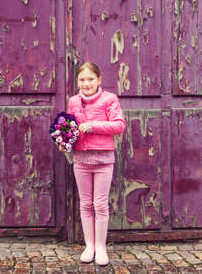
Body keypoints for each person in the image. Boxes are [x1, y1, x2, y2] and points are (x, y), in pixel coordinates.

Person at [64, 61, 126, 266]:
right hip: (81, 160)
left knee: (99, 204)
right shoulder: (73, 101)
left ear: (99, 79)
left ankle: (101, 247)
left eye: (90, 79)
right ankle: (89, 246)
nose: (86, 83)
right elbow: (70, 128)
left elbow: (119, 125)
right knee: (85, 203)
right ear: (77, 81)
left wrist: (93, 126)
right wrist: (63, 141)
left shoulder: (110, 99)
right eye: (82, 79)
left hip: (103, 160)